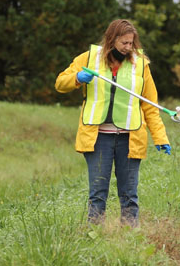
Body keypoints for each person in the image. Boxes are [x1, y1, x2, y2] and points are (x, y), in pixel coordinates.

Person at [55, 19, 171, 226]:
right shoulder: (89, 58)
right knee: (98, 193)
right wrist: (78, 78)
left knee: (129, 194)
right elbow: (60, 83)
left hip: (130, 138)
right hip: (98, 138)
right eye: (124, 43)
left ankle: (128, 239)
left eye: (131, 43)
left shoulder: (140, 64)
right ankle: (95, 236)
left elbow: (150, 106)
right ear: (112, 39)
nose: (128, 48)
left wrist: (160, 137)